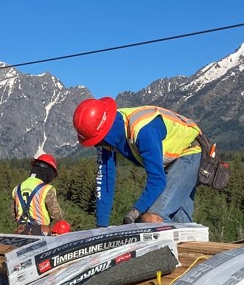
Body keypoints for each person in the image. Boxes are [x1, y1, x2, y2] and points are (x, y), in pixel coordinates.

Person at [73, 97, 202, 227]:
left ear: (105, 134)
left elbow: (157, 180)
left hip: (188, 154)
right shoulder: (106, 138)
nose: (97, 145)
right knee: (182, 223)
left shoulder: (143, 132)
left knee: (153, 219)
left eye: (97, 141)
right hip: (169, 164)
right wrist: (101, 227)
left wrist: (135, 212)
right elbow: (105, 180)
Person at [11, 153, 66, 235]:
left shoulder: (17, 189)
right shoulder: (47, 189)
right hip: (40, 234)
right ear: (49, 172)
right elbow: (58, 216)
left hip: (21, 233)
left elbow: (13, 216)